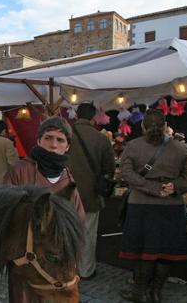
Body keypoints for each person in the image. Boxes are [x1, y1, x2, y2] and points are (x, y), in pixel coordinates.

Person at [4, 116, 86, 303]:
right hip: (27, 259)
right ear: (39, 140)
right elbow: (5, 214)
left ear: (67, 146)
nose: (53, 144)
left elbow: (79, 220)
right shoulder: (19, 171)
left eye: (60, 140)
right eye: (48, 138)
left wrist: (71, 258)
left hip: (56, 260)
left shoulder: (68, 178)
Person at [119, 109, 187, 303]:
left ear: (143, 125)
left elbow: (126, 174)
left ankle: (139, 293)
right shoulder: (179, 147)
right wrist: (175, 186)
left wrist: (150, 187)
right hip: (171, 206)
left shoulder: (132, 146)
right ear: (165, 126)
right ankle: (155, 292)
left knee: (143, 251)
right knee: (166, 251)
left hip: (141, 205)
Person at [68, 102, 115, 279]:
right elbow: (109, 170)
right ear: (94, 117)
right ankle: (86, 271)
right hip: (90, 196)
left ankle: (67, 268)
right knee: (87, 234)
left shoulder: (63, 136)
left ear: (77, 115)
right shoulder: (101, 139)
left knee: (66, 232)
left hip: (64, 194)